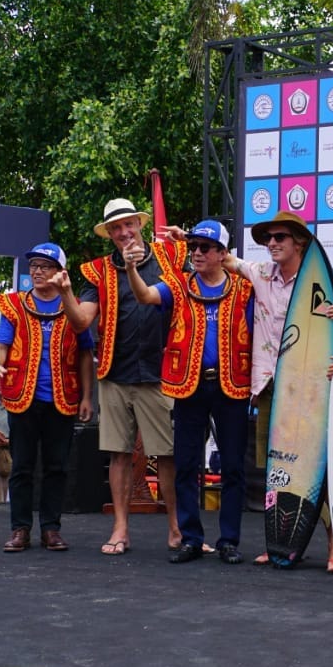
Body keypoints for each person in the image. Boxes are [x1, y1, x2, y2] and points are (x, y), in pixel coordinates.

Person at [53, 198, 180, 555]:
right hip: (115, 373)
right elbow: (81, 322)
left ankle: (176, 528)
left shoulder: (170, 258)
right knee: (118, 454)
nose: (124, 232)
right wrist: (65, 292)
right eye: (116, 228)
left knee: (167, 455)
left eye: (129, 225)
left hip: (161, 373)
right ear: (108, 234)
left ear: (140, 225)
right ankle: (121, 529)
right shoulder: (96, 271)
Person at [216, 210, 333, 569]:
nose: (272, 243)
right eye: (269, 238)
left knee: (317, 469)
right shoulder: (260, 274)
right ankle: (279, 544)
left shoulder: (321, 281)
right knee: (278, 471)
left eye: (280, 238)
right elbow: (224, 257)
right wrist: (183, 238)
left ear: (298, 242)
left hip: (311, 389)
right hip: (270, 386)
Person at [127, 221, 253, 564]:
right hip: (188, 384)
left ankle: (229, 540)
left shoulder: (244, 289)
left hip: (231, 385)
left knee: (232, 467)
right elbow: (145, 296)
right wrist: (131, 268)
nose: (196, 252)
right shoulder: (178, 285)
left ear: (222, 254)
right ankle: (191, 538)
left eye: (205, 247)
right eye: (193, 246)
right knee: (185, 464)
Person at [0, 242, 95, 552]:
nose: (36, 271)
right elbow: (0, 344)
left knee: (57, 466)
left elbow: (86, 355)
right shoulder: (15, 305)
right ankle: (20, 528)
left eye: (44, 266)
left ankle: (51, 528)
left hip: (62, 398)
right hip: (23, 396)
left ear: (60, 272)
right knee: (21, 465)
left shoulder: (73, 308)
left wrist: (88, 396)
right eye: (33, 265)